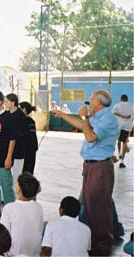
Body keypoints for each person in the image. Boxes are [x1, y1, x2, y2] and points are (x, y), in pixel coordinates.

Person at [52, 90, 119, 255]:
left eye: (91, 99)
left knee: (99, 206)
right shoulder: (96, 117)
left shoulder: (108, 119)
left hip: (99, 167)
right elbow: (82, 126)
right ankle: (95, 238)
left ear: (99, 103)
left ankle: (102, 244)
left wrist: (83, 117)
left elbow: (90, 137)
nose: (89, 102)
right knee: (90, 204)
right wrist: (62, 114)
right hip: (91, 167)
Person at [0, 172, 43, 256]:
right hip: (34, 253)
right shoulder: (39, 207)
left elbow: (3, 234)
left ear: (18, 189)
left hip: (14, 253)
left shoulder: (9, 208)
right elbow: (39, 230)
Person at [5, 93, 27, 189]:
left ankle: (16, 195)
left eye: (7, 101)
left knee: (17, 174)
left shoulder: (20, 115)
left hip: (18, 150)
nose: (5, 103)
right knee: (6, 174)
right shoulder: (7, 115)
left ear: (13, 102)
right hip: (7, 149)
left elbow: (21, 133)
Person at [112, 94, 133, 168]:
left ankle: (119, 153)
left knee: (119, 141)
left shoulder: (117, 105)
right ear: (127, 99)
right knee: (124, 142)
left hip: (119, 126)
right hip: (127, 126)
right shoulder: (131, 105)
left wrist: (121, 116)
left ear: (121, 99)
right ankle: (122, 161)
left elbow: (114, 112)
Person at [19, 102, 38, 174]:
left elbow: (31, 138)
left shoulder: (29, 121)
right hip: (25, 150)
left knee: (27, 172)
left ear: (24, 109)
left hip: (29, 150)